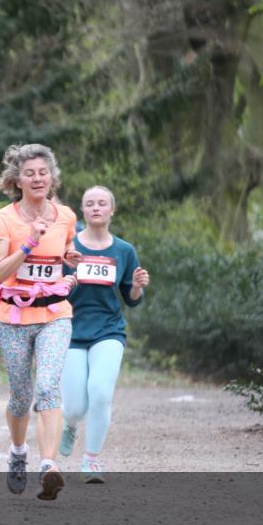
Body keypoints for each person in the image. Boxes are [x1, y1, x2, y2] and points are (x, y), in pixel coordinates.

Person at [0, 144, 80, 500]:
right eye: (30, 173)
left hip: (56, 314)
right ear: (17, 180)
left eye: (43, 172)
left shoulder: (67, 216)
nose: (38, 178)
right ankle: (18, 453)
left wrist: (71, 263)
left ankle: (49, 466)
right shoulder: (5, 218)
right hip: (13, 317)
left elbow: (69, 258)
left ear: (52, 177)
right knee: (20, 397)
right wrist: (28, 244)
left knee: (48, 387)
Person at [59, 185, 149, 483]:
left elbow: (132, 298)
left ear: (112, 210)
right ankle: (70, 425)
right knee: (74, 406)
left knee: (100, 392)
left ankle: (91, 460)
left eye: (102, 203)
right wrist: (67, 277)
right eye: (90, 204)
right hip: (70, 329)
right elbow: (53, 290)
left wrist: (137, 286)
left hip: (109, 331)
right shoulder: (68, 247)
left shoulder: (124, 250)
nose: (96, 208)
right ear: (82, 211)